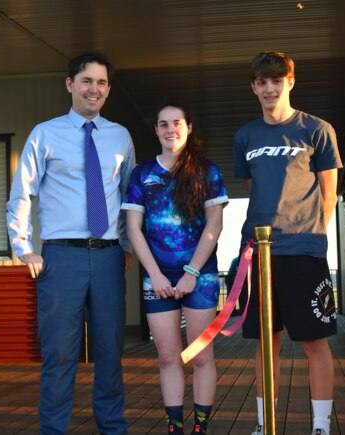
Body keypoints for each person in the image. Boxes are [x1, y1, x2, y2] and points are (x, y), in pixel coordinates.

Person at [6, 51, 135, 434]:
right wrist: (23, 245)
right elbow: (21, 193)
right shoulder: (44, 134)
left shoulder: (121, 136)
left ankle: (112, 427)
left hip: (110, 257)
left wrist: (127, 245)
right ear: (70, 84)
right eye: (86, 81)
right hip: (61, 258)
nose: (93, 89)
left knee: (110, 351)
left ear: (108, 89)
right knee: (59, 353)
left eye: (101, 83)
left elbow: (129, 197)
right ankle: (54, 429)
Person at [232, 51, 342, 435]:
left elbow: (329, 194)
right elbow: (253, 190)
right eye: (261, 82)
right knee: (267, 344)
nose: (269, 88)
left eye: (276, 81)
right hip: (259, 253)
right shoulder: (245, 135)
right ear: (253, 86)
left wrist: (310, 235)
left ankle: (321, 427)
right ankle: (266, 426)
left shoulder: (317, 129)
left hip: (304, 253)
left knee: (315, 344)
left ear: (290, 82)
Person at [122, 103, 228, 434]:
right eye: (163, 124)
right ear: (156, 130)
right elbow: (134, 229)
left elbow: (215, 225)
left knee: (200, 356)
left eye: (177, 123)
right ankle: (174, 427)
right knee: (168, 358)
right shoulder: (141, 174)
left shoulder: (206, 171)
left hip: (201, 277)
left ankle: (200, 427)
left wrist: (191, 273)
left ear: (189, 127)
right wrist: (154, 274)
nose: (171, 129)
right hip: (158, 278)